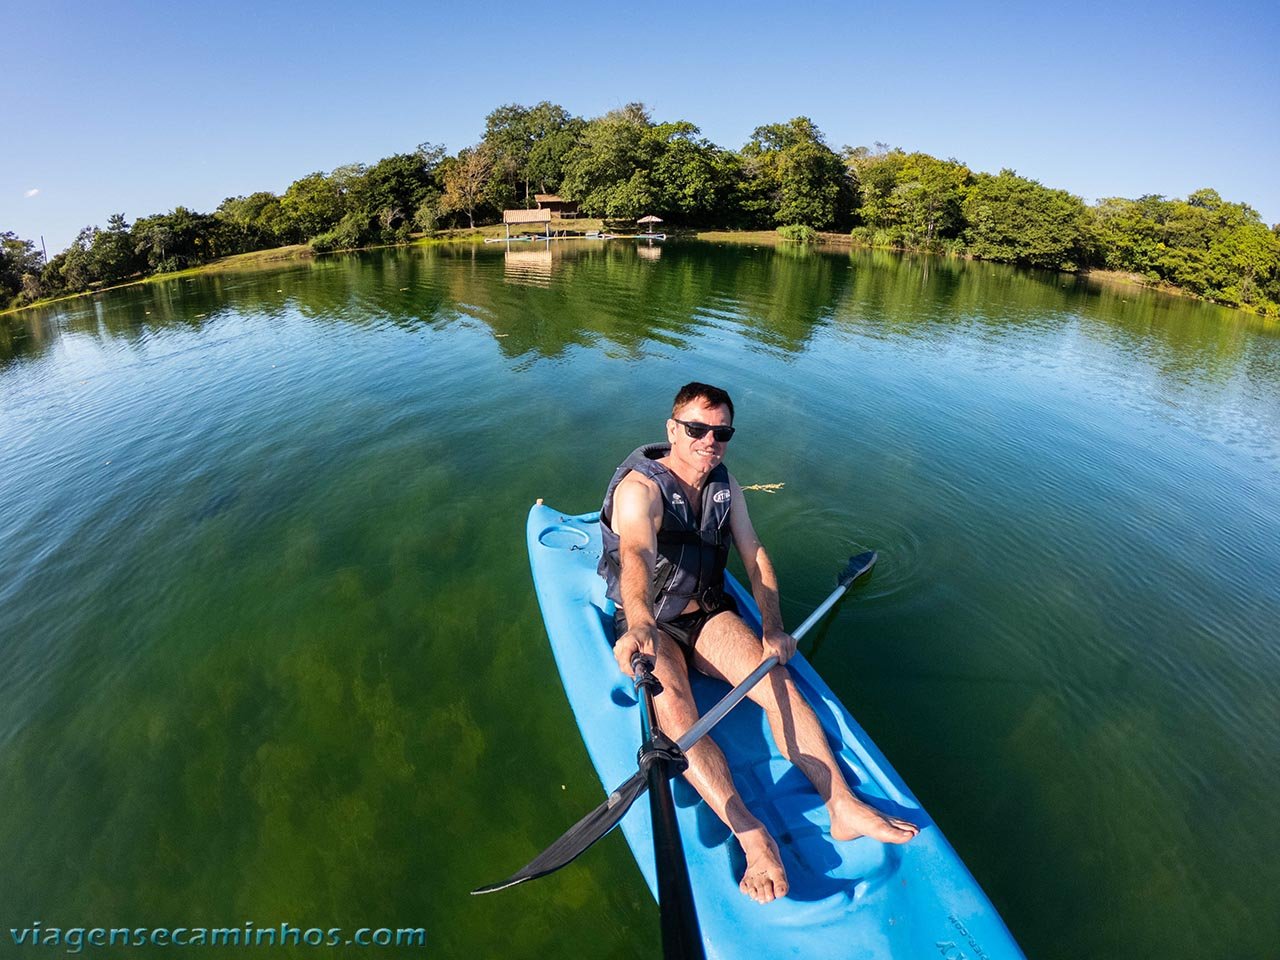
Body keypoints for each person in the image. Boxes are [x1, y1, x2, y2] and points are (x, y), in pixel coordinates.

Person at [598, 382, 918, 905]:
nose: (709, 441)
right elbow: (634, 554)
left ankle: (841, 802)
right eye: (697, 429)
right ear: (672, 429)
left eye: (721, 432)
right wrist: (638, 625)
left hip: (706, 612)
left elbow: (756, 555)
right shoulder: (642, 490)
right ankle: (751, 833)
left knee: (776, 681)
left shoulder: (727, 485)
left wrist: (771, 625)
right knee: (677, 714)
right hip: (651, 622)